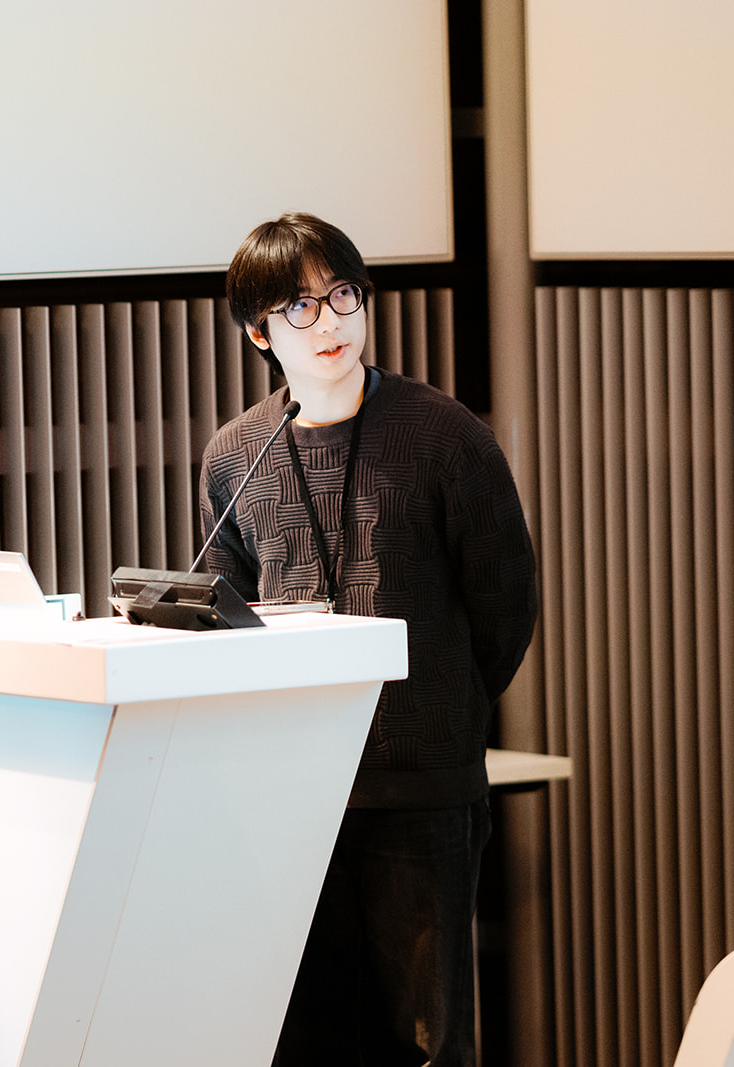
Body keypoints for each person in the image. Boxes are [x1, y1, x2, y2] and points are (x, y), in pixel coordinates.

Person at [200, 212, 538, 1066]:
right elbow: (227, 621)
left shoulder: (444, 435)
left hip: (421, 786)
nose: (331, 322)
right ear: (259, 332)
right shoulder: (237, 455)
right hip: (295, 792)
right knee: (310, 1040)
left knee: (426, 1042)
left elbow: (505, 606)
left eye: (343, 294)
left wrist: (439, 709)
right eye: (300, 306)